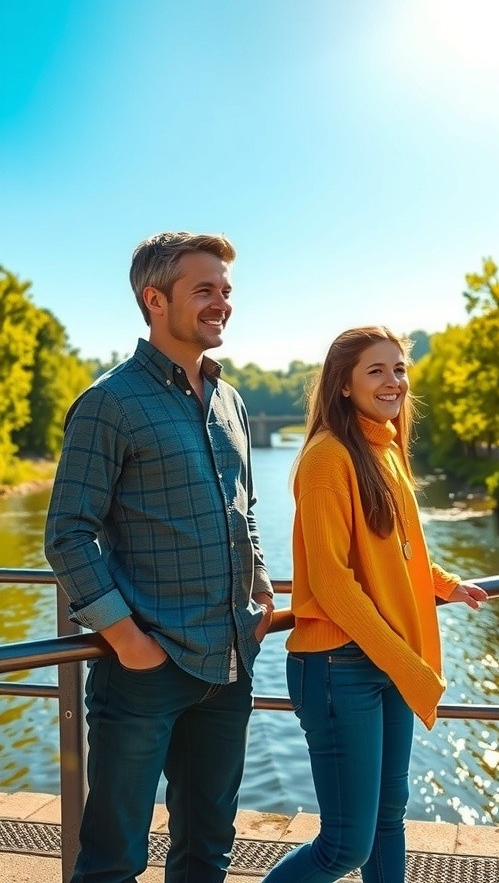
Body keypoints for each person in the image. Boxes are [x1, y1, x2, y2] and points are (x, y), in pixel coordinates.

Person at [45, 231, 274, 883]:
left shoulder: (231, 400)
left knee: (208, 849)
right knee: (114, 860)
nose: (222, 304)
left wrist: (259, 581)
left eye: (226, 291)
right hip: (145, 670)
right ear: (154, 299)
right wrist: (125, 637)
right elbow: (68, 533)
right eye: (205, 290)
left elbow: (243, 506)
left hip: (229, 664)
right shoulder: (108, 403)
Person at [262, 325, 488, 883]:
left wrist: (442, 584)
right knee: (344, 847)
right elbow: (333, 583)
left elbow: (397, 548)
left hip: (382, 662)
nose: (394, 382)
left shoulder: (383, 446)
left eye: (400, 369)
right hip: (341, 668)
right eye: (377, 370)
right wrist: (402, 658)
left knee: (390, 820)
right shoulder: (325, 459)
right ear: (343, 384)